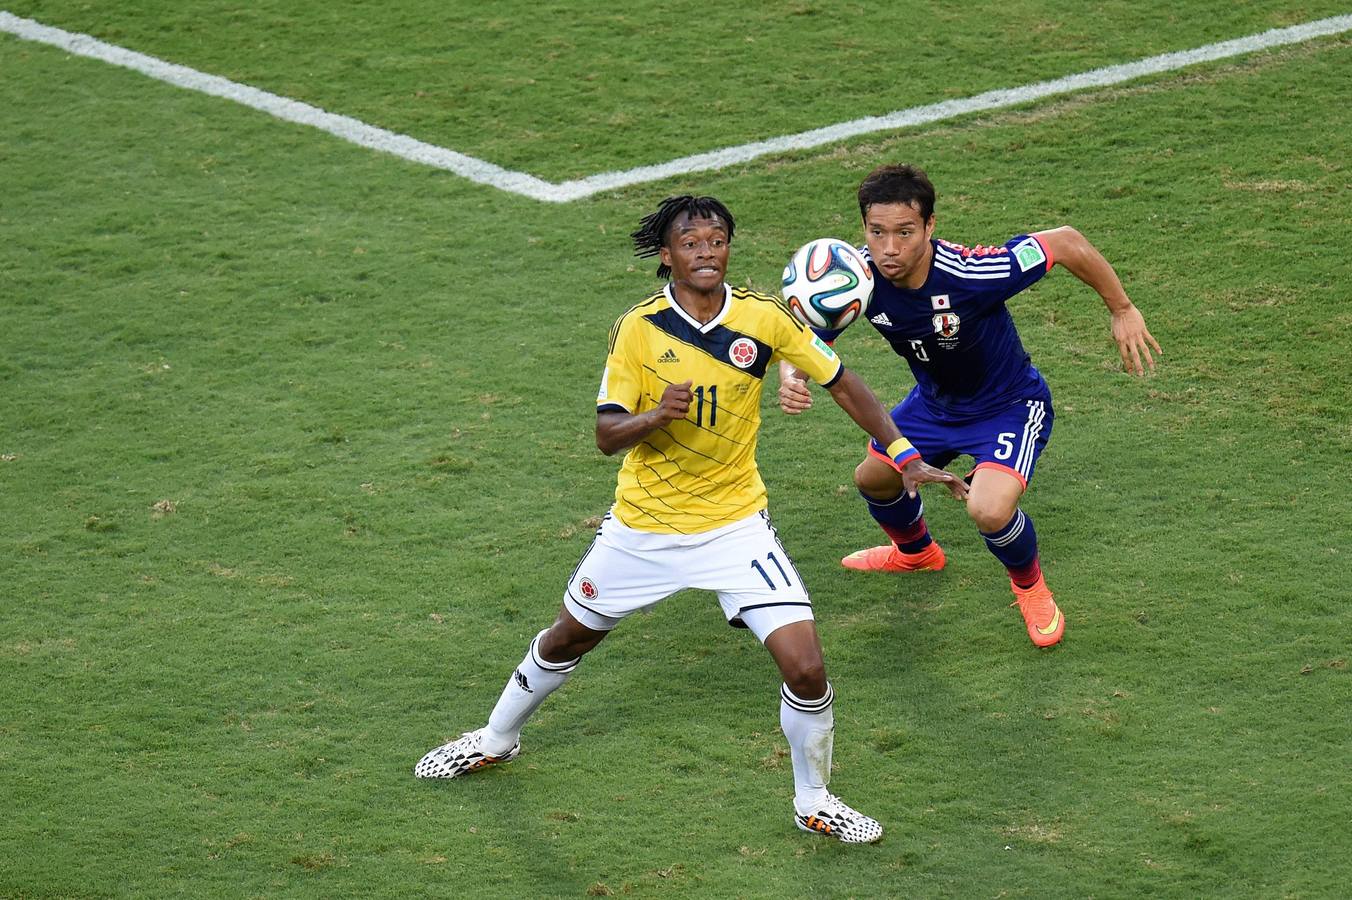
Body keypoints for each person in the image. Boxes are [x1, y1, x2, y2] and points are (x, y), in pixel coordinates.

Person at [416, 195, 966, 844]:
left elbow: (842, 381)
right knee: (567, 639)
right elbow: (606, 435)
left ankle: (814, 800)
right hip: (643, 530)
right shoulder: (639, 329)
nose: (707, 252)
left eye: (717, 240)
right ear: (667, 255)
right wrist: (657, 416)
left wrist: (903, 454)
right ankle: (496, 738)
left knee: (806, 668)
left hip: (735, 528)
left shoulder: (762, 318)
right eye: (692, 242)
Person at [779, 164, 1161, 648]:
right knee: (873, 478)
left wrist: (1122, 308)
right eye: (877, 232)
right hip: (934, 407)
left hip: (1009, 406)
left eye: (904, 232)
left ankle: (1030, 588)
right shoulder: (857, 275)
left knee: (988, 509)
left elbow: (1065, 241)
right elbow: (804, 334)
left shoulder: (972, 274)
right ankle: (917, 553)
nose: (889, 248)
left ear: (930, 226)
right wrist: (792, 375)